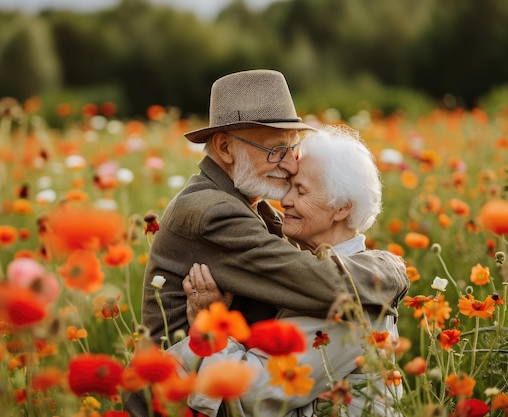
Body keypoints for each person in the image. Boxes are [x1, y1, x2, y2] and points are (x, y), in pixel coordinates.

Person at [124, 69, 408, 416]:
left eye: (291, 148)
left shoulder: (247, 203)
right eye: (275, 150)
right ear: (226, 148)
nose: (289, 163)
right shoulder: (214, 213)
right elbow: (318, 281)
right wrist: (391, 270)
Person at [175, 125, 406, 416]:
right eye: (289, 187)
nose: (285, 201)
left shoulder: (345, 298)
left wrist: (208, 329)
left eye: (300, 190)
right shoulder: (316, 270)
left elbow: (255, 393)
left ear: (341, 208)